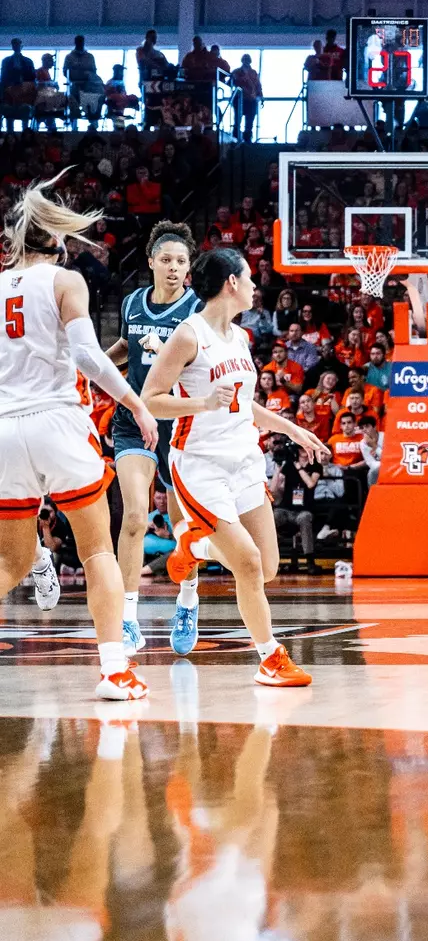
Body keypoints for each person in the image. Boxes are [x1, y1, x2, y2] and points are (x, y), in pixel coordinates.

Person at [0, 174, 159, 700]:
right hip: (56, 420)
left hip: (4, 428)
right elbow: (89, 357)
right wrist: (135, 401)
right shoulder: (66, 281)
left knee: (10, 563)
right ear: (59, 240)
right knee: (97, 553)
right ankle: (115, 671)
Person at [141, 247, 327, 684]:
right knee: (245, 563)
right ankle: (270, 658)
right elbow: (149, 400)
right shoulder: (189, 336)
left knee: (267, 567)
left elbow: (247, 406)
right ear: (231, 284)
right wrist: (202, 403)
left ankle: (192, 549)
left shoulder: (241, 339)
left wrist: (292, 429)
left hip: (245, 460)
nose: (254, 287)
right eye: (249, 278)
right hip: (201, 465)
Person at [105, 222, 202, 655]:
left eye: (181, 261)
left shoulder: (198, 311)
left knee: (185, 528)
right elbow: (129, 345)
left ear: (188, 268)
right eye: (166, 259)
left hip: (177, 424)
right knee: (134, 517)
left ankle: (187, 600)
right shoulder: (131, 302)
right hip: (133, 420)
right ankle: (127, 619)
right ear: (150, 262)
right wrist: (99, 368)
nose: (173, 267)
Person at [229, 54, 261, 142]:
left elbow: (258, 85)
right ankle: (235, 138)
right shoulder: (236, 72)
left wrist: (260, 96)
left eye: (248, 59)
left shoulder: (253, 73)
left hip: (251, 99)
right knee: (237, 120)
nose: (246, 61)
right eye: (245, 59)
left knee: (250, 121)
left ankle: (247, 139)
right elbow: (230, 83)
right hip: (239, 99)